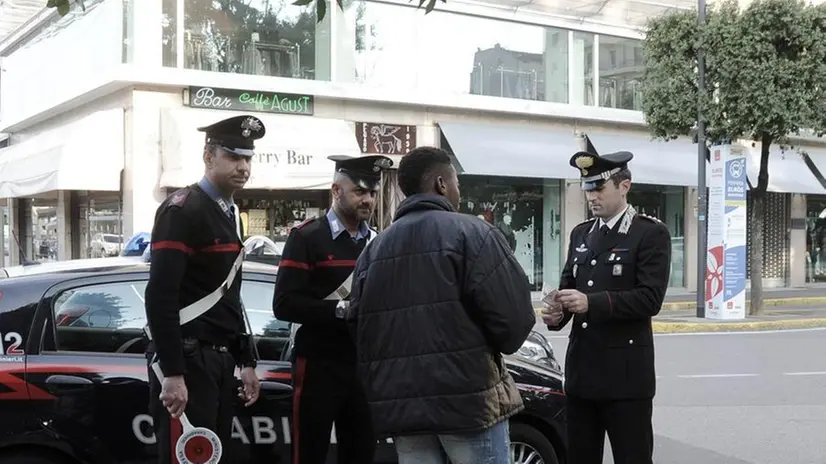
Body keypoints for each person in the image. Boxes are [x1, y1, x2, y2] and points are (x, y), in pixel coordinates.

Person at [346, 146, 536, 464]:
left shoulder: (374, 250)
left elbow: (359, 330)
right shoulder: (474, 234)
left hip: (403, 410)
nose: (458, 190)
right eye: (456, 182)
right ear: (441, 184)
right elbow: (514, 323)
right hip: (469, 406)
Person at [144, 114, 263, 463]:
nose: (243, 166)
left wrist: (246, 359)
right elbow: (160, 294)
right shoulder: (182, 210)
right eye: (234, 157)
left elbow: (229, 296)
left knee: (212, 458)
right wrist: (174, 372)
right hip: (189, 359)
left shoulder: (227, 211)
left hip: (219, 360)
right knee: (190, 457)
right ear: (209, 157)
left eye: (248, 158)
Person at [541, 149, 672, 464]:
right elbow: (570, 287)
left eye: (599, 188)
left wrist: (590, 303)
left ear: (624, 186)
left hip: (625, 378)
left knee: (632, 457)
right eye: (587, 189)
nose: (591, 197)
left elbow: (649, 299)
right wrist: (558, 313)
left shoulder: (649, 233)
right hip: (582, 375)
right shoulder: (581, 233)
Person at [273, 153, 394, 464]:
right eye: (360, 191)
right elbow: (284, 304)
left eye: (372, 192)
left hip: (364, 367)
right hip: (318, 365)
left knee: (361, 453)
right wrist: (339, 310)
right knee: (309, 453)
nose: (368, 199)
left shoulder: (379, 243)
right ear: (336, 191)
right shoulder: (307, 237)